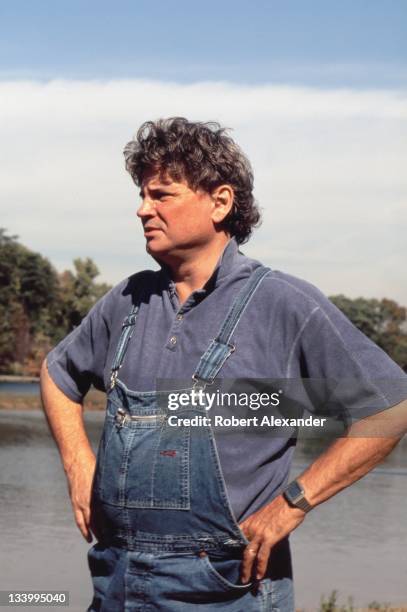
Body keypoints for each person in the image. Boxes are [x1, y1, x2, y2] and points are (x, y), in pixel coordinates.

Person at [41, 117, 407, 611]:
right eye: (142, 195)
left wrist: (292, 504)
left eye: (161, 194)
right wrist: (78, 464)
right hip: (117, 577)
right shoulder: (128, 299)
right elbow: (57, 374)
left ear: (220, 201)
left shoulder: (284, 303)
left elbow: (389, 407)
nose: (142, 209)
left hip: (226, 587)